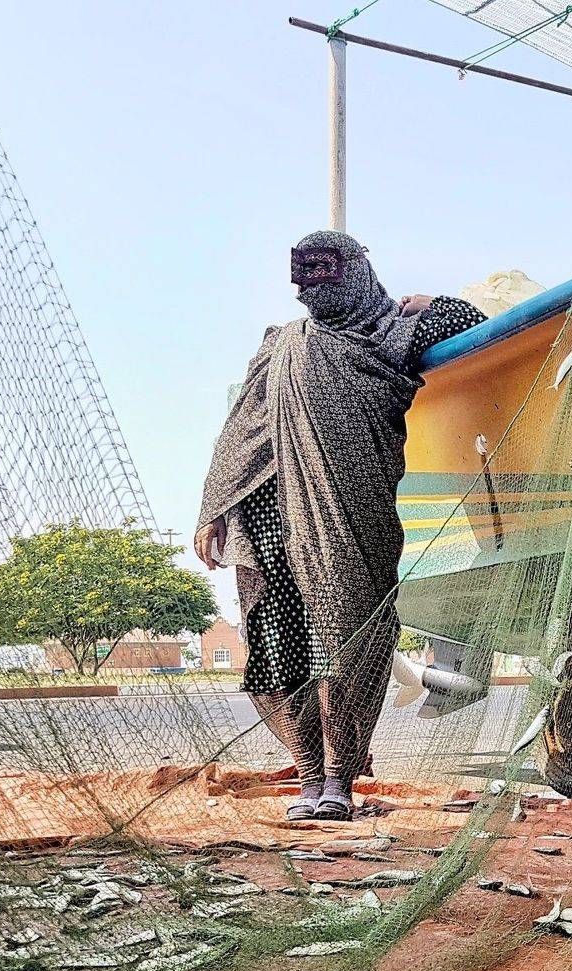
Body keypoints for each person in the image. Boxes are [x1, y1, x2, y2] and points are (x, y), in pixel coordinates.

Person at [195, 231, 485, 820]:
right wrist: (214, 507)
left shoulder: (399, 331)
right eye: (300, 279)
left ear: (356, 270)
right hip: (271, 513)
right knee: (282, 646)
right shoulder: (282, 344)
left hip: (354, 517)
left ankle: (339, 780)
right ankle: (309, 777)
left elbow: (475, 325)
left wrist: (434, 303)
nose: (307, 291)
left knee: (348, 643)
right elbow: (241, 428)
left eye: (322, 273)